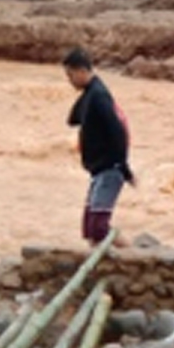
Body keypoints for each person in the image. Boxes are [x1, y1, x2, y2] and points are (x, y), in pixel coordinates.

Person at [64, 49, 133, 245]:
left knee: (99, 227)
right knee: (89, 227)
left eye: (70, 75)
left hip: (110, 169)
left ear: (81, 71)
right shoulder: (91, 94)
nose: (69, 81)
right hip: (98, 170)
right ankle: (98, 263)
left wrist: (122, 166)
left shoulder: (99, 96)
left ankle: (132, 255)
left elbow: (118, 132)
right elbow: (72, 119)